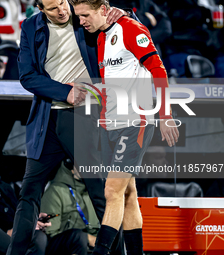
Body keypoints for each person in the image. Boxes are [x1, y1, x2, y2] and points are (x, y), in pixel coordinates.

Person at [6, 0, 138, 254]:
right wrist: (65, 92)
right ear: (40, 8)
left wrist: (126, 14)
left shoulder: (82, 15)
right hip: (46, 119)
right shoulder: (31, 27)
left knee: (101, 191)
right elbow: (27, 76)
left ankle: (119, 252)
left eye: (63, 3)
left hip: (83, 117)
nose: (62, 11)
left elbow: (121, 23)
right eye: (53, 8)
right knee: (29, 192)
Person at [69, 0, 180, 254]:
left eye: (85, 15)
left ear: (104, 10)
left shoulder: (131, 28)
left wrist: (165, 114)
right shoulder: (99, 38)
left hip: (135, 123)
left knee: (112, 191)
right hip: (111, 125)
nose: (82, 21)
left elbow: (158, 71)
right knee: (128, 193)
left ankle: (102, 251)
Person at [41, 159, 100, 255]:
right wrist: (86, 238)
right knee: (78, 237)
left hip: (88, 247)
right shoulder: (55, 192)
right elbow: (50, 234)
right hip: (63, 247)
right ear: (70, 165)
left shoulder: (93, 191)